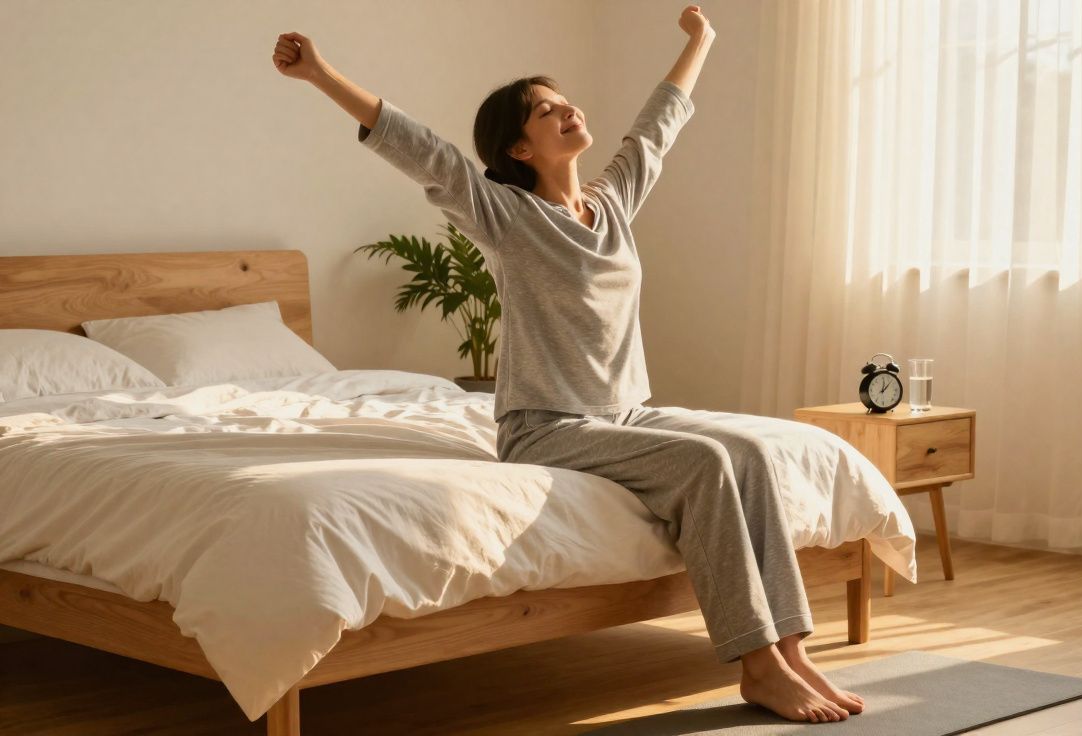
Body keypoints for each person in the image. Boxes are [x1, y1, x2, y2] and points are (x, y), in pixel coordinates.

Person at [271, 6, 862, 723]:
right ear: (519, 149)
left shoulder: (611, 206)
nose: (567, 110)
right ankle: (756, 664)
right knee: (705, 463)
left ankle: (794, 652)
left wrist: (701, 41)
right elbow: (422, 149)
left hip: (626, 413)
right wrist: (318, 74)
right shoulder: (506, 217)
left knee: (752, 453)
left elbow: (659, 125)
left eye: (562, 100)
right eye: (546, 110)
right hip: (545, 424)